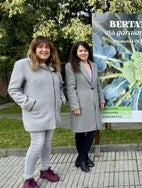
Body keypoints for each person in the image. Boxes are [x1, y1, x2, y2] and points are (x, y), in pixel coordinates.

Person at [8, 36, 66, 188]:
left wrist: (61, 99)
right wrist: (29, 104)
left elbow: (60, 87)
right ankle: (28, 178)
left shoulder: (54, 67)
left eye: (47, 47)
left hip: (51, 113)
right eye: (40, 47)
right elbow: (13, 89)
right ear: (34, 49)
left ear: (51, 50)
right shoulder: (22, 65)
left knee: (47, 143)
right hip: (35, 114)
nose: (44, 50)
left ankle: (45, 170)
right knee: (37, 144)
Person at [65, 41, 105, 172]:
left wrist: (101, 99)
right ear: (76, 53)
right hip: (81, 104)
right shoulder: (70, 66)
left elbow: (97, 84)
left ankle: (81, 157)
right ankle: (83, 159)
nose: (83, 53)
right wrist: (74, 106)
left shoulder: (93, 65)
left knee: (93, 130)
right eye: (80, 51)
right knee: (81, 131)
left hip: (93, 102)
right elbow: (70, 88)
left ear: (88, 52)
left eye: (85, 50)